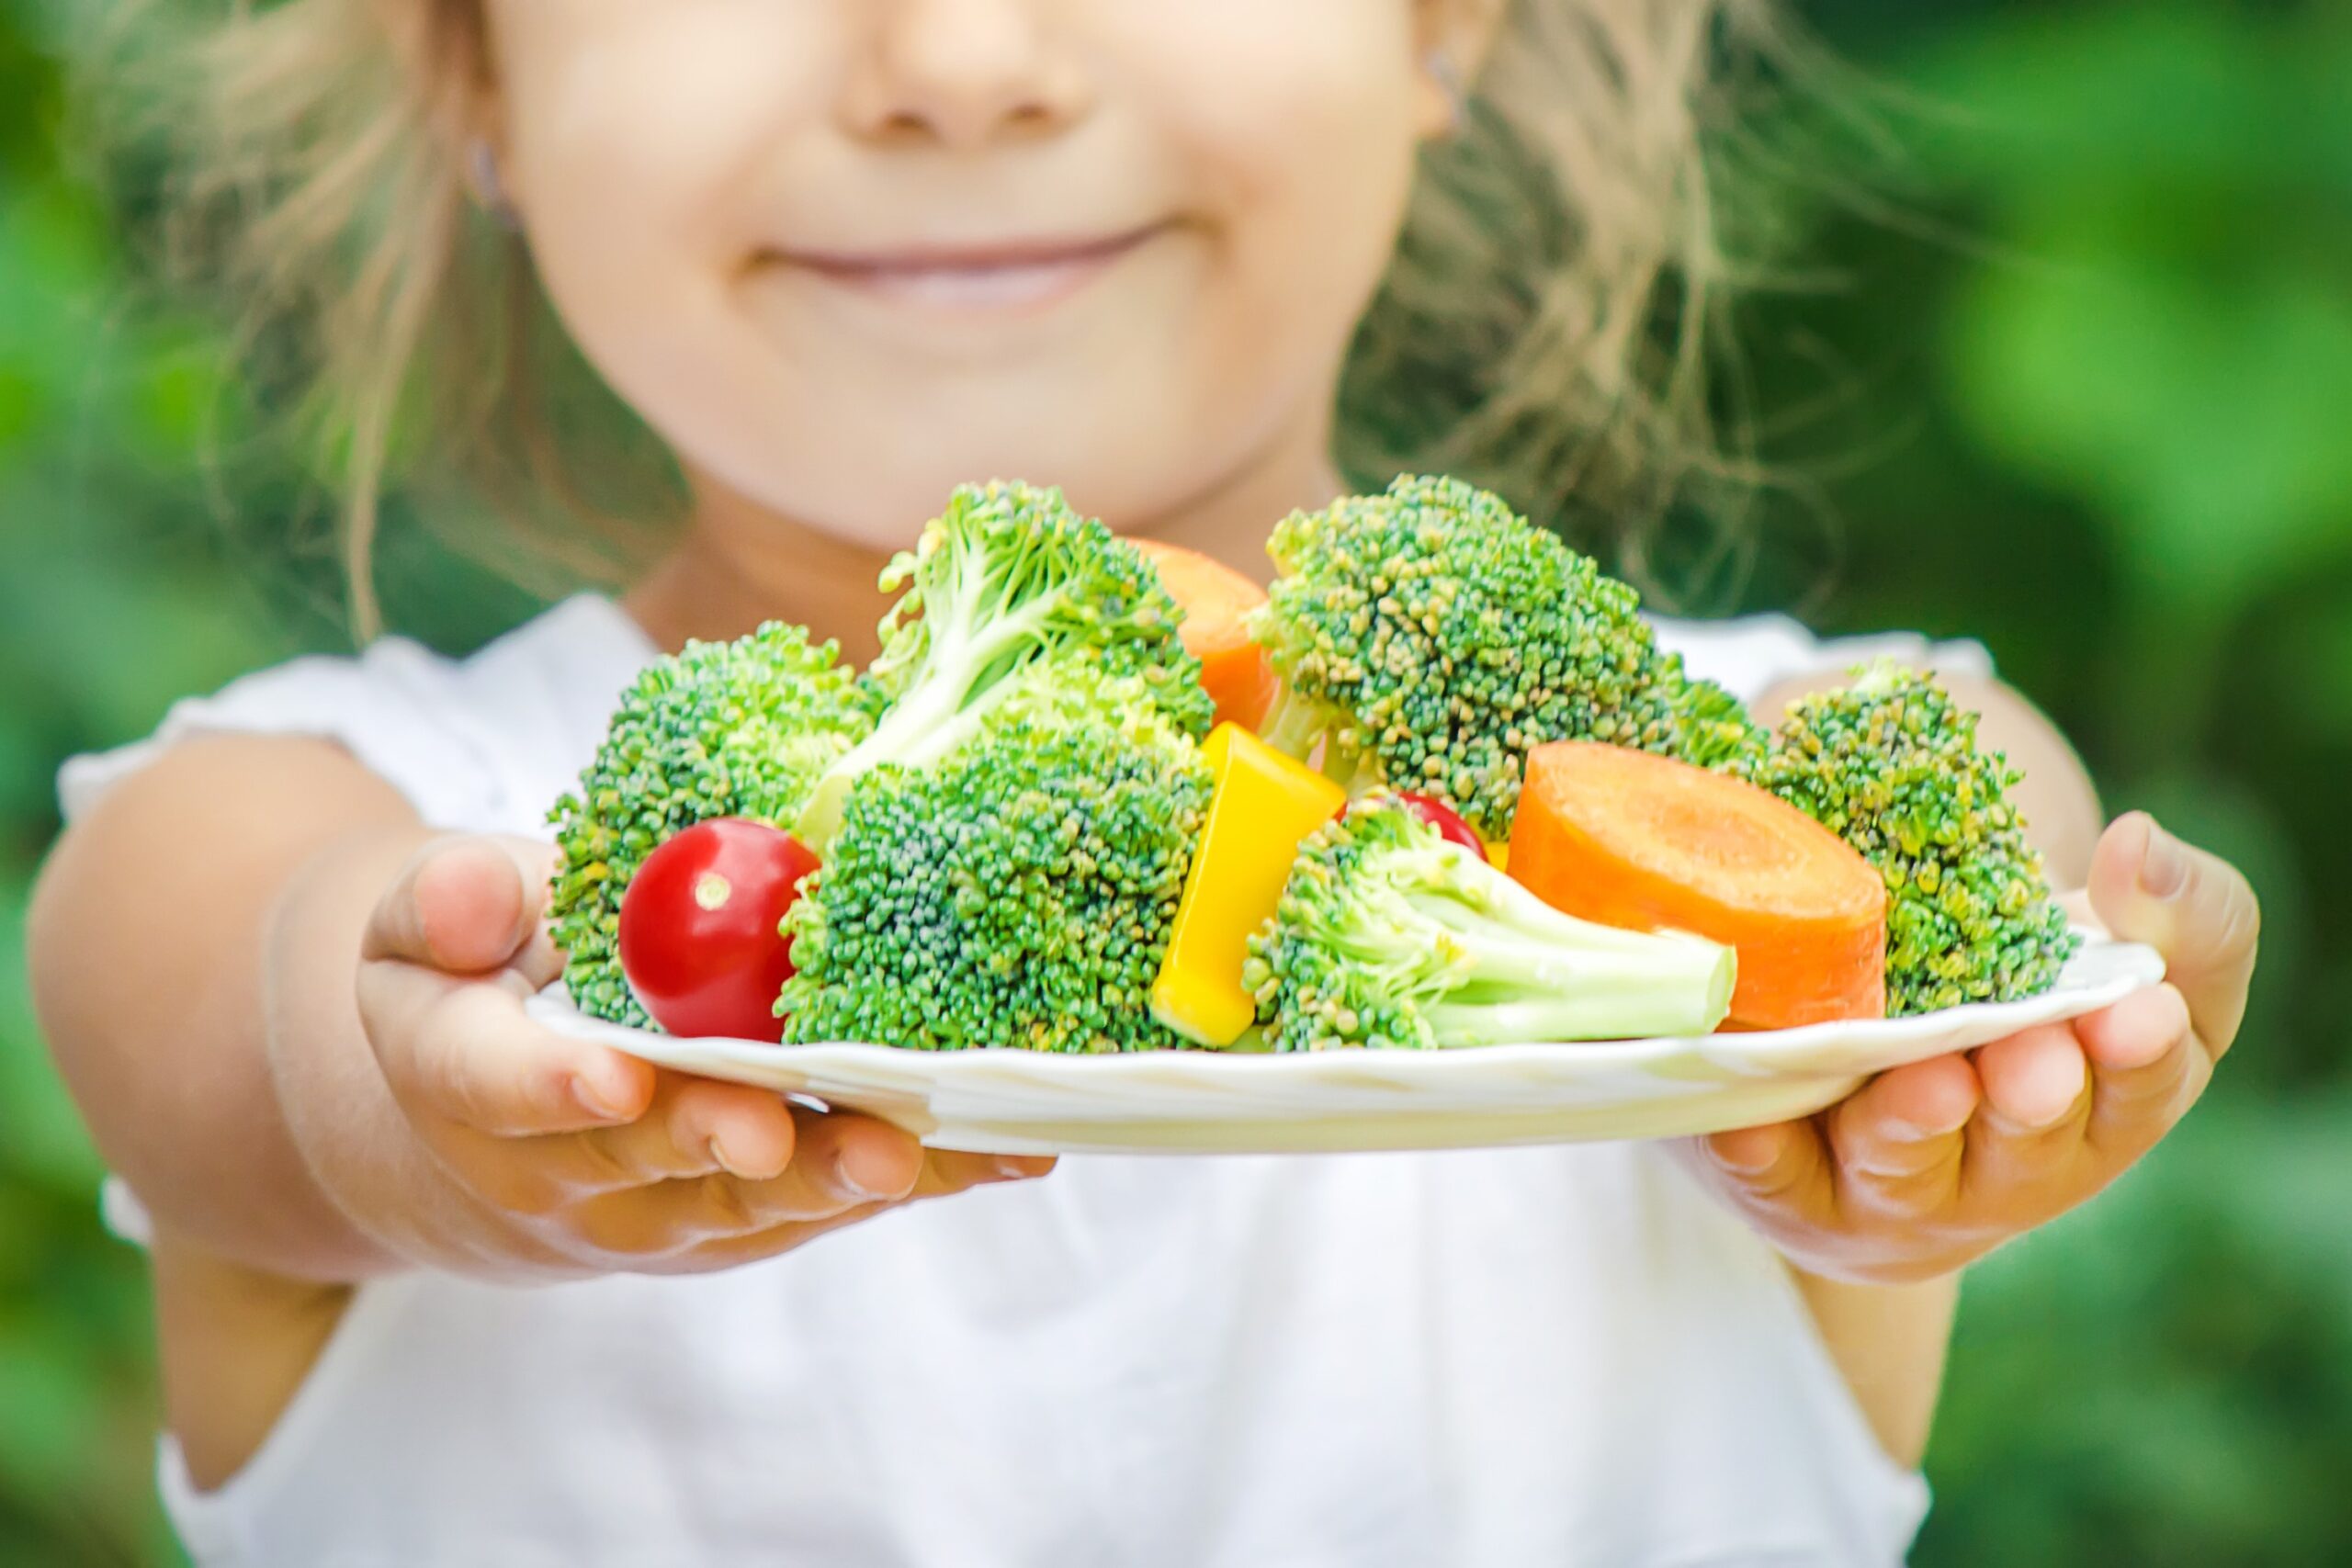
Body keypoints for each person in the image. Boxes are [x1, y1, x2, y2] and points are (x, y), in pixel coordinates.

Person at [29, 3, 2260, 1564]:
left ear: (1441, 19)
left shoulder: (1688, 831)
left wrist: (1959, 1048)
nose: (961, 59)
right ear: (465, 61)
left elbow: (1978, 804)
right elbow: (256, 1009)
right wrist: (445, 1130)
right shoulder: (310, 816)